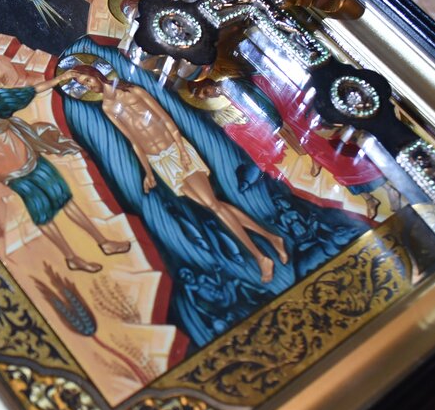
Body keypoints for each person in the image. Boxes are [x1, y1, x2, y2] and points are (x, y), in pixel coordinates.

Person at [65, 64, 287, 282]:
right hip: (159, 161)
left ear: (96, 74)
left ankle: (261, 257)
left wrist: (181, 149)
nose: (88, 85)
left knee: (213, 206)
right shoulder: (107, 107)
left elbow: (164, 118)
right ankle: (272, 238)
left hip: (174, 149)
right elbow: (133, 141)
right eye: (83, 84)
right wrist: (148, 172)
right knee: (214, 205)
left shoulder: (132, 90)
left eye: (87, 80)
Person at [0, 41, 130, 272]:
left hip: (3, 154)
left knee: (56, 197)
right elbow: (6, 101)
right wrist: (58, 80)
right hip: (6, 155)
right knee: (45, 204)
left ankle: (98, 245)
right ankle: (77, 254)